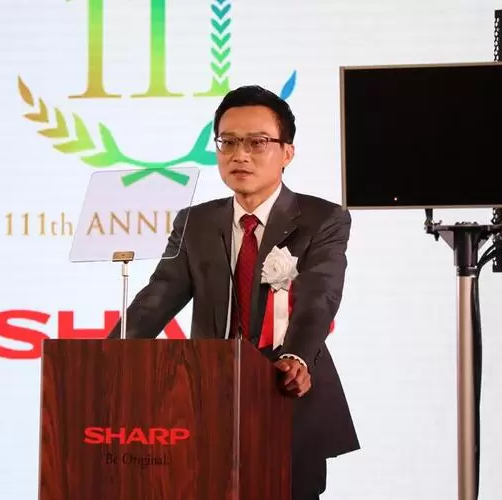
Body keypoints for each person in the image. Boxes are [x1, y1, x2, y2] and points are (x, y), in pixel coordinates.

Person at [108, 85, 359, 499]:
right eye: (228, 142)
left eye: (257, 142)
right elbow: (157, 297)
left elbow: (320, 297)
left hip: (289, 398)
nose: (240, 155)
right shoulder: (195, 222)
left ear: (287, 152)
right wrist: (105, 360)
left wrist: (296, 357)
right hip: (207, 402)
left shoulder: (322, 219)